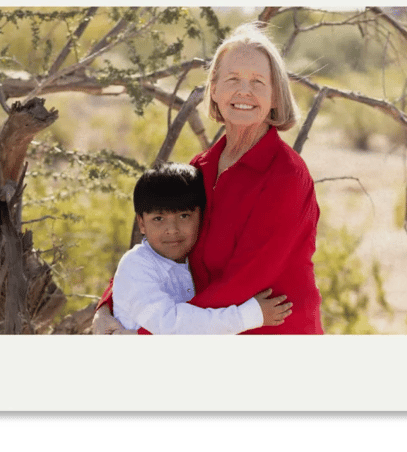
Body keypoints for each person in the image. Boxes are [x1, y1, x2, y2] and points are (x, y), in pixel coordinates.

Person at [95, 22, 323, 334]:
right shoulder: (199, 168)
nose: (244, 91)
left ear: (275, 96)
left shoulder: (287, 177)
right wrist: (107, 306)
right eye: (232, 79)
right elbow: (158, 250)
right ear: (213, 89)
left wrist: (145, 336)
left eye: (258, 81)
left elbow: (243, 282)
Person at [111, 162, 292, 334]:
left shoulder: (197, 257)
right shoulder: (135, 265)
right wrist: (249, 316)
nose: (172, 230)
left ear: (201, 216)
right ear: (141, 223)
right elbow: (171, 325)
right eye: (158, 219)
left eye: (184, 216)